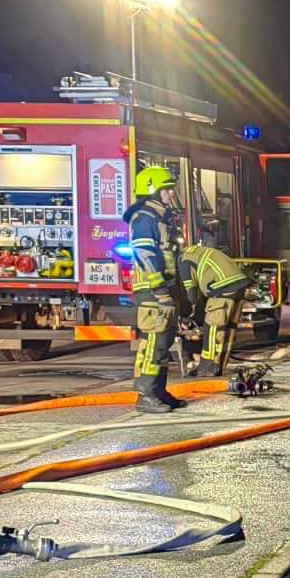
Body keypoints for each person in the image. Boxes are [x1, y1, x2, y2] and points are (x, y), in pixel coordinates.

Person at [123, 164, 186, 413]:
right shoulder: (144, 219)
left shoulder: (160, 219)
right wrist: (160, 290)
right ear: (153, 191)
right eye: (167, 189)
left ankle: (159, 391)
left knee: (165, 340)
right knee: (154, 342)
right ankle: (146, 393)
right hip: (151, 292)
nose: (172, 194)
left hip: (163, 289)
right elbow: (144, 254)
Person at [178, 239, 249, 378]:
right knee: (229, 329)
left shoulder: (184, 262)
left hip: (223, 287)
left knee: (213, 328)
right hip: (239, 286)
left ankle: (208, 367)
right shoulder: (199, 252)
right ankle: (219, 366)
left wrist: (189, 315)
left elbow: (191, 293)